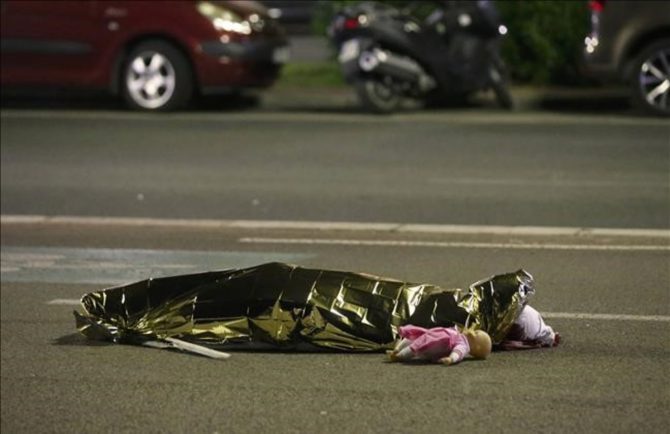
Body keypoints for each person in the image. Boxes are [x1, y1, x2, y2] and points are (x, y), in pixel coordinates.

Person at [387, 325, 492, 365]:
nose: (473, 330)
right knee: (414, 338)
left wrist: (451, 359)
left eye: (477, 333)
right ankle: (397, 349)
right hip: (433, 335)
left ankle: (399, 356)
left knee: (417, 346)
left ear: (477, 347)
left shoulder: (464, 345)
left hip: (436, 343)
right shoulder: (460, 334)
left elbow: (458, 353)